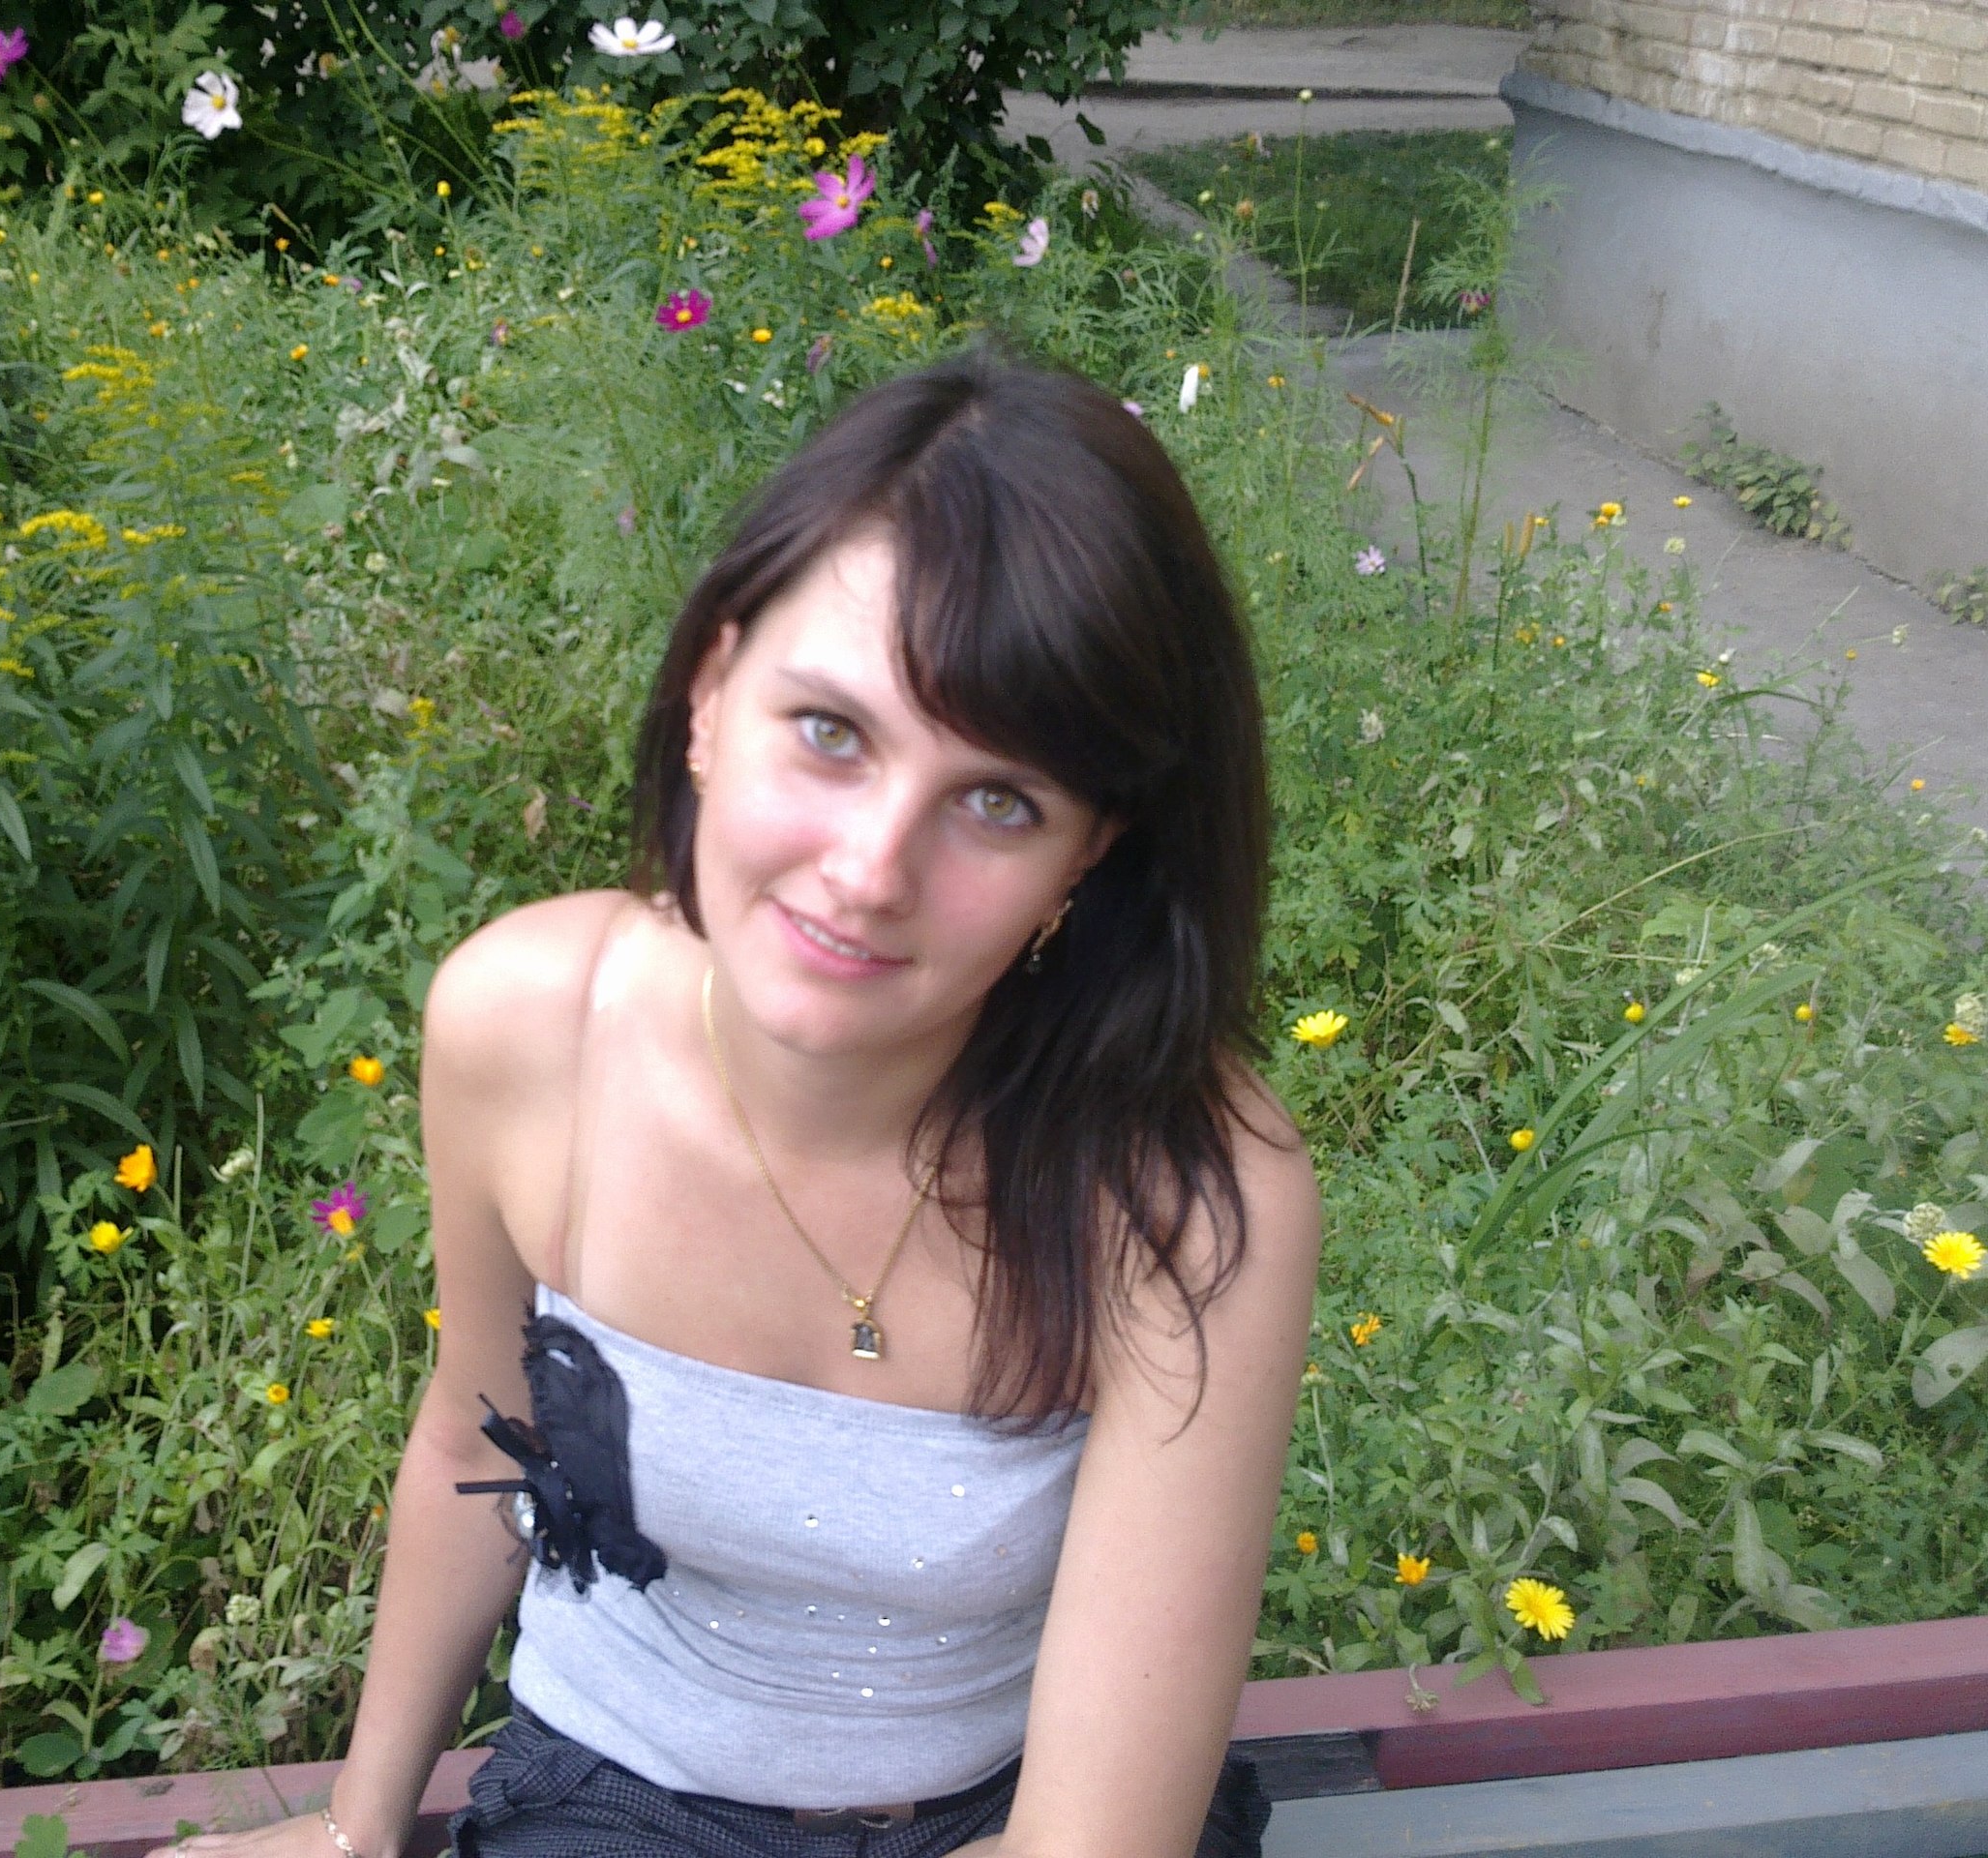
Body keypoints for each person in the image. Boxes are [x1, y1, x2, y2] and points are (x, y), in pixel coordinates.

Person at [149, 349, 1320, 1858]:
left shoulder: (1184, 1195)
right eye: (832, 732)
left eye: (999, 800)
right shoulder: (528, 1031)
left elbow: (1087, 1845)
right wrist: (352, 1829)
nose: (871, 870)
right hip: (621, 1799)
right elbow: (476, 1429)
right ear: (710, 696)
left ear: (1087, 856)